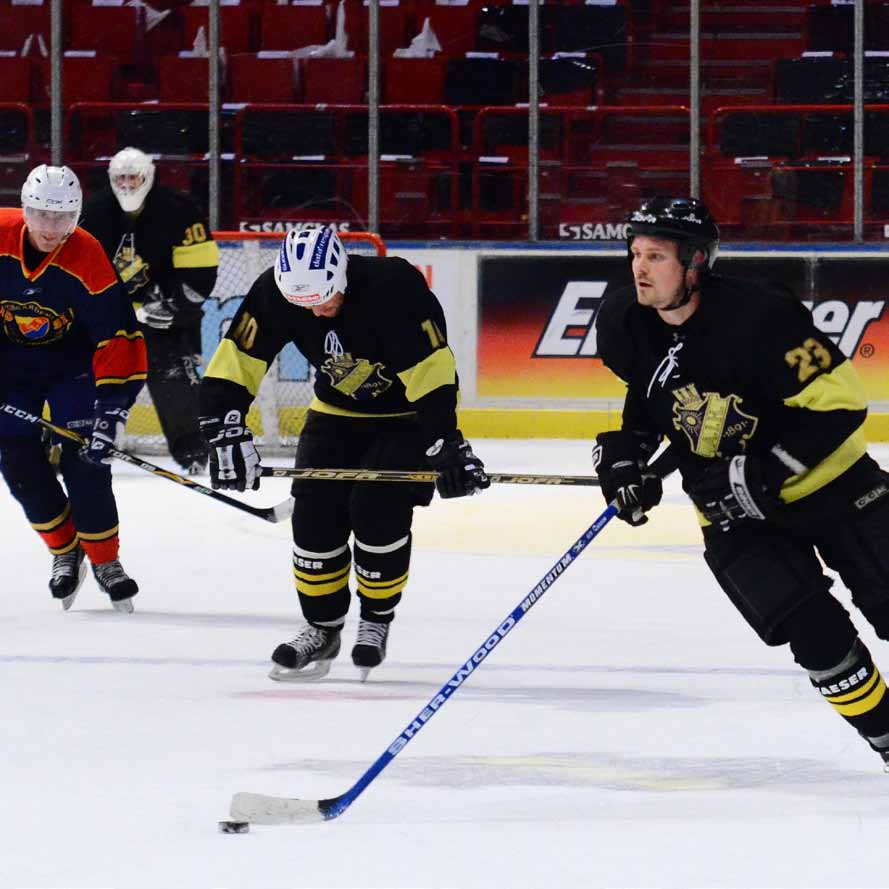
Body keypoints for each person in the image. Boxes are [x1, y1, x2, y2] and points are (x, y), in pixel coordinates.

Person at [593, 195, 889, 769]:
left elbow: (842, 405)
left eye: (656, 255)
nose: (640, 268)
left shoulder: (761, 315)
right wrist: (628, 456)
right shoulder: (625, 321)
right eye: (635, 254)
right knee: (814, 636)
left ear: (697, 262)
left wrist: (761, 472)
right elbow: (651, 395)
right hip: (730, 512)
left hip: (834, 486)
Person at [198, 227, 489, 681]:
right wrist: (223, 426)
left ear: (342, 274)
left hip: (405, 417)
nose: (317, 310)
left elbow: (432, 369)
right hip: (334, 412)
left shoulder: (393, 285)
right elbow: (238, 359)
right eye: (305, 303)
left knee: (377, 512)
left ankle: (375, 617)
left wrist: (443, 442)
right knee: (313, 521)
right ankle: (321, 626)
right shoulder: (274, 291)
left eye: (325, 297)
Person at [0, 164, 148, 612]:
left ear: (77, 215)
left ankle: (105, 561)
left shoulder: (87, 255)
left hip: (73, 370)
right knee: (17, 461)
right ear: (25, 209)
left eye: (62, 217)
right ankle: (66, 550)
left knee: (87, 460)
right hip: (10, 369)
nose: (50, 227)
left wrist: (112, 409)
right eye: (41, 214)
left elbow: (117, 336)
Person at [80, 146, 219, 474]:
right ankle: (71, 442)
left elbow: (201, 273)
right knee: (75, 375)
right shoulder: (92, 213)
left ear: (149, 177)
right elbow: (77, 276)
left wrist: (171, 304)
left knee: (173, 375)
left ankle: (194, 452)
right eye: (121, 178)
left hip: (165, 320)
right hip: (106, 319)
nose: (128, 184)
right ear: (111, 179)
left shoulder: (180, 209)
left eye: (134, 177)